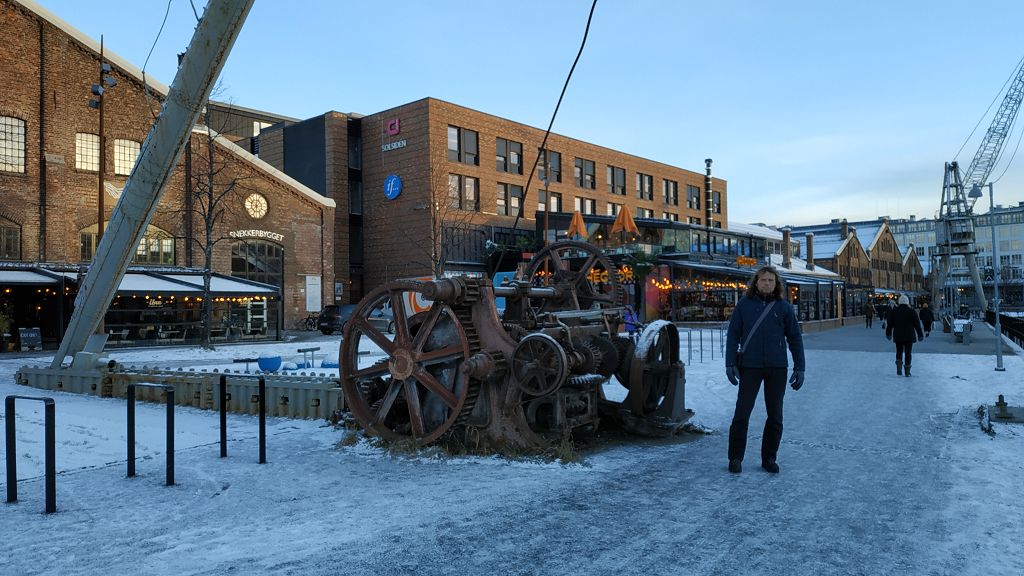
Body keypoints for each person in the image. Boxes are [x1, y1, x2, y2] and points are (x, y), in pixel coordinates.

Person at [724, 266, 805, 474]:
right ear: (756, 282)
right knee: (742, 413)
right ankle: (735, 458)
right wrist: (730, 363)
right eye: (763, 280)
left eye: (770, 280)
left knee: (775, 416)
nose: (767, 283)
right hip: (750, 366)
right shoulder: (744, 305)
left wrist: (800, 367)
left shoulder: (784, 307)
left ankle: (769, 457)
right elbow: (733, 334)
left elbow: (794, 338)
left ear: (776, 283)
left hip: (777, 367)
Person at [886, 294, 924, 377]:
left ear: (899, 302)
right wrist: (920, 335)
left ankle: (899, 369)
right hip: (909, 336)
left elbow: (890, 324)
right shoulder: (912, 312)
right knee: (908, 353)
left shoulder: (894, 312)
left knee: (898, 351)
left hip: (898, 335)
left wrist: (888, 334)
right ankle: (907, 371)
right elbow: (917, 325)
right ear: (907, 302)